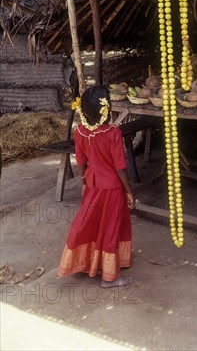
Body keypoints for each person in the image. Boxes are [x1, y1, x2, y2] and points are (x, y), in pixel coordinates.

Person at [57, 85, 135, 288]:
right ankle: (110, 277)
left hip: (93, 184)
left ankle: (91, 262)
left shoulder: (80, 132)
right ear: (106, 109)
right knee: (110, 228)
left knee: (93, 224)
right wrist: (129, 191)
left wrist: (84, 183)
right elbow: (120, 167)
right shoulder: (113, 133)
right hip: (112, 189)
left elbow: (81, 161)